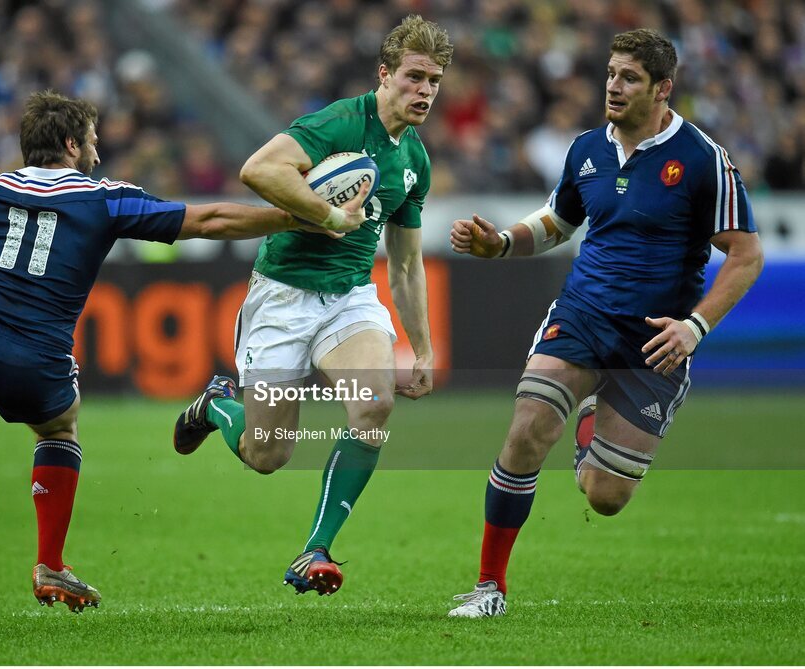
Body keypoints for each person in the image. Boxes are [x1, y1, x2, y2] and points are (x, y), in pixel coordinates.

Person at [0, 90, 361, 637]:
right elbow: (209, 219)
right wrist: (299, 219)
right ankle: (49, 561)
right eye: (93, 141)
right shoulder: (103, 198)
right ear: (72, 144)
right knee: (60, 428)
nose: (98, 151)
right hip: (36, 359)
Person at [446, 29, 763, 618]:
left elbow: (745, 255)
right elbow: (557, 223)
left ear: (664, 89)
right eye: (612, 74)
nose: (614, 86)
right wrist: (500, 244)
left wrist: (694, 327)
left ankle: (594, 421)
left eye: (631, 78)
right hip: (583, 314)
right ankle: (490, 586)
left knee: (606, 495)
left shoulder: (702, 159)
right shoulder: (587, 148)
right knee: (528, 427)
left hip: (656, 340)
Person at [172, 15, 452, 596]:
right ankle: (220, 407)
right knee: (267, 454)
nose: (425, 90)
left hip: (349, 299)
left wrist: (421, 346)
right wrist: (327, 215)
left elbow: (403, 264)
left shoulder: (415, 161)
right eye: (414, 76)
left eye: (435, 80)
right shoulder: (338, 122)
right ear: (384, 75)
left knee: (373, 404)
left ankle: (316, 550)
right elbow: (258, 169)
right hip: (283, 295)